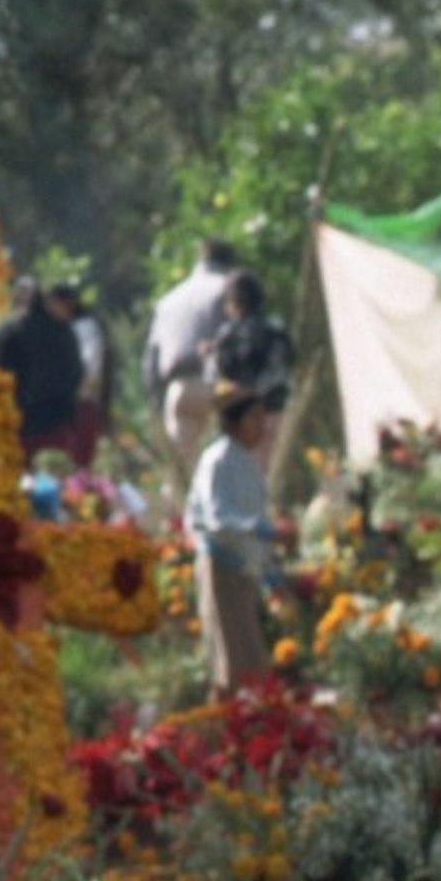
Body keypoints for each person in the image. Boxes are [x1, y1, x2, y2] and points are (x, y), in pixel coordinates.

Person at [187, 383, 285, 690]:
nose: (262, 427)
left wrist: (271, 570)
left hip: (241, 569)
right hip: (220, 566)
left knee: (250, 656)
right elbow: (218, 521)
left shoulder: (248, 462)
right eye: (254, 419)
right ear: (234, 422)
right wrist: (257, 528)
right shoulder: (218, 460)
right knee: (230, 660)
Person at [147, 240, 242, 486]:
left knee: (180, 475)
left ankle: (175, 523)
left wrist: (157, 402)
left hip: (178, 387)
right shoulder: (227, 289)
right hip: (218, 385)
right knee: (224, 472)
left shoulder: (169, 299)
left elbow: (151, 359)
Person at [0, 281, 87, 457]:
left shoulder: (7, 331)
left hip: (15, 425)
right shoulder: (64, 332)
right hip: (55, 426)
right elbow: (77, 374)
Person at [50, 282, 110, 469]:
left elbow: (90, 369)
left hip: (81, 403)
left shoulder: (85, 328)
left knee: (79, 461)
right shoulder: (60, 330)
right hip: (64, 405)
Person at [207, 271, 292, 399]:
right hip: (272, 402)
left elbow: (212, 377)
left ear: (232, 302)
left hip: (236, 404)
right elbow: (283, 369)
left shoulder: (227, 332)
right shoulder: (275, 328)